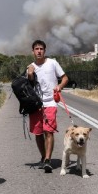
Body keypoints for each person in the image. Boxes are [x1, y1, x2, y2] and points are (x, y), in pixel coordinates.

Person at [27, 39, 68, 173]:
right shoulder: (30, 67)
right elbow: (29, 85)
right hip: (36, 104)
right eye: (36, 49)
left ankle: (48, 160)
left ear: (45, 51)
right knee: (38, 133)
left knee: (48, 131)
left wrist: (59, 86)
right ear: (33, 51)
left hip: (50, 103)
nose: (39, 51)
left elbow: (65, 78)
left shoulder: (52, 63)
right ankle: (43, 157)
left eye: (41, 49)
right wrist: (30, 74)